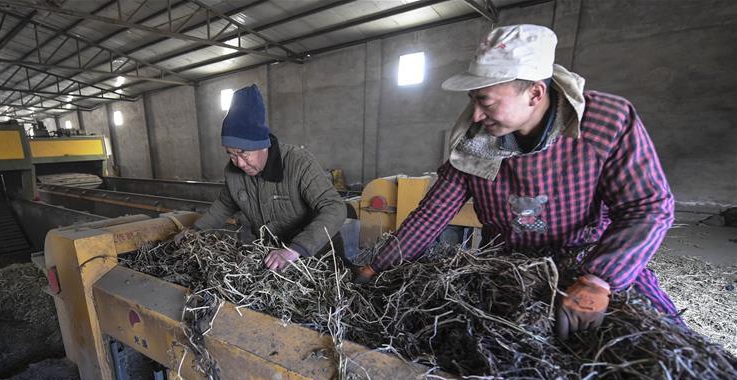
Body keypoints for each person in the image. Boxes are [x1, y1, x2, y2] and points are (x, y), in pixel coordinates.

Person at [355, 24, 678, 339]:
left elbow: (648, 206)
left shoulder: (604, 122)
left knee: (658, 338)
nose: (476, 114)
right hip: (510, 269)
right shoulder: (474, 141)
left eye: (485, 101)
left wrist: (598, 279)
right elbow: (431, 215)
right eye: (473, 99)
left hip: (590, 261)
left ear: (535, 93)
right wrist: (378, 266)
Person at [175, 84, 346, 271]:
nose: (239, 163)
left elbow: (334, 207)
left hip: (317, 256)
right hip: (274, 258)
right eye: (231, 154)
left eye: (243, 153)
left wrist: (296, 249)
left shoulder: (298, 163)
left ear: (263, 145)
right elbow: (224, 205)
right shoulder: (233, 172)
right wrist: (196, 231)